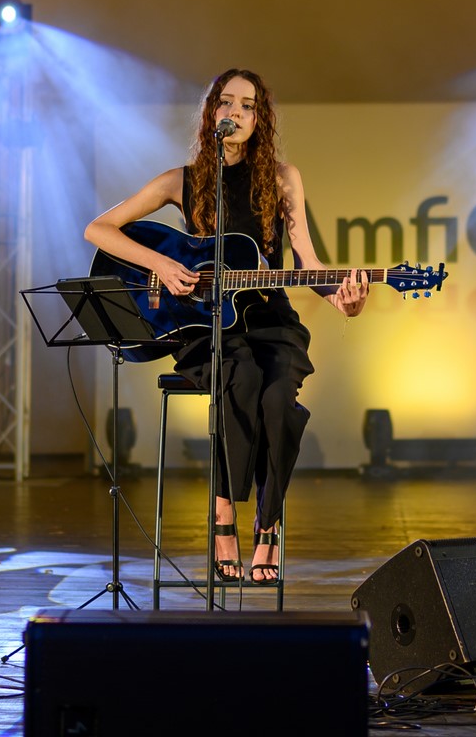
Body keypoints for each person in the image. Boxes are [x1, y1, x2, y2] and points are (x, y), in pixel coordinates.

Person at [85, 68, 369, 585]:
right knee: (241, 377)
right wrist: (161, 264)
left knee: (279, 400)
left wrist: (343, 302)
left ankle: (268, 522)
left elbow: (306, 263)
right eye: (227, 102)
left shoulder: (282, 178)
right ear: (211, 113)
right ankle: (222, 516)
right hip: (205, 320)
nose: (236, 112)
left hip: (269, 317)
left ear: (260, 119)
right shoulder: (182, 181)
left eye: (248, 105)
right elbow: (98, 229)